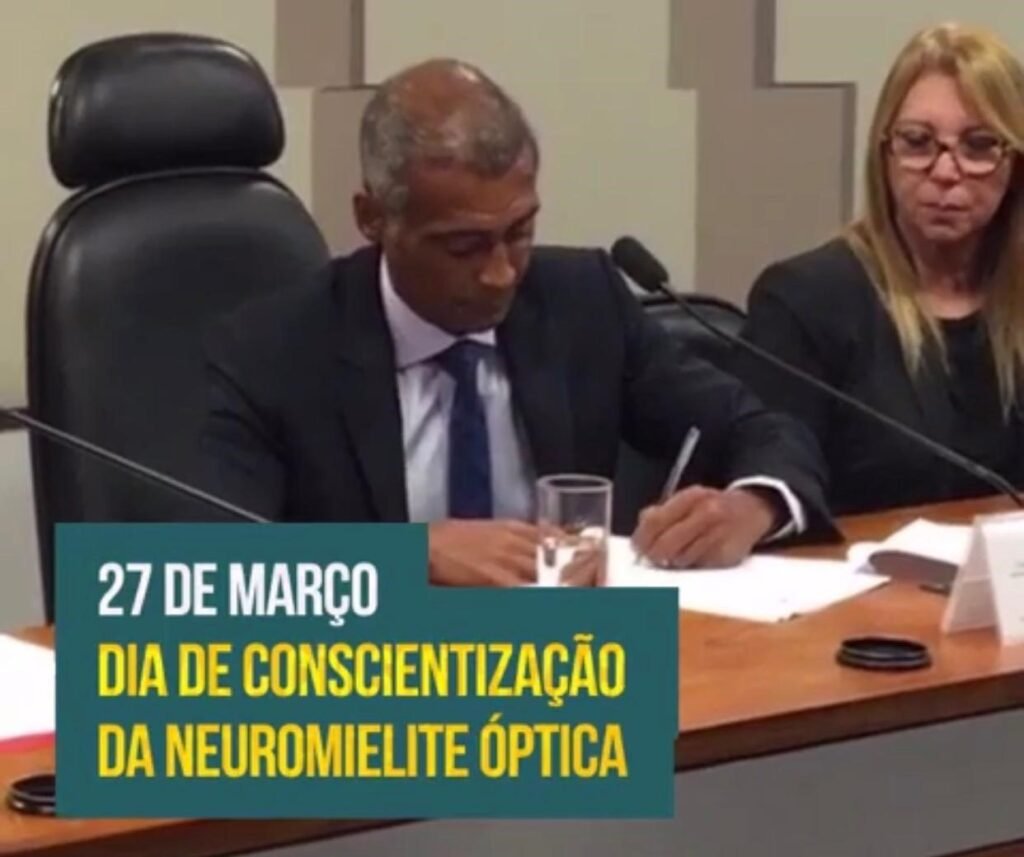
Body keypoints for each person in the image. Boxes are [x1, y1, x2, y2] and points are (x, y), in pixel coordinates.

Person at [202, 58, 833, 586]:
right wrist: (409, 556)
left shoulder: (582, 300)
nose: (501, 273)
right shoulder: (274, 348)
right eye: (463, 247)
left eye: (520, 232)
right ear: (374, 219)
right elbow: (214, 565)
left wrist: (753, 504)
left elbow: (762, 428)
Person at [738, 23, 1024, 516]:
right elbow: (772, 482)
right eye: (918, 142)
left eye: (978, 146)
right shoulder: (805, 299)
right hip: (857, 565)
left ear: (1015, 163)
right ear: (884, 153)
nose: (945, 171)